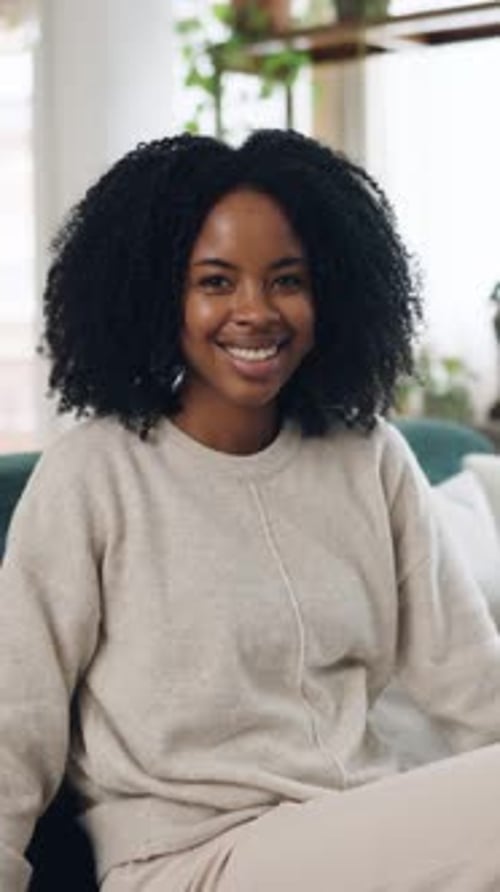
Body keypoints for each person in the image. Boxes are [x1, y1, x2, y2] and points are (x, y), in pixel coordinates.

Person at [1, 129, 500, 892]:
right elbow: (13, 718)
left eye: (286, 280)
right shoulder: (93, 474)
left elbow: (472, 683)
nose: (256, 311)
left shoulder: (368, 456)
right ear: (157, 294)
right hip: (189, 860)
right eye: (216, 281)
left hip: (357, 835)